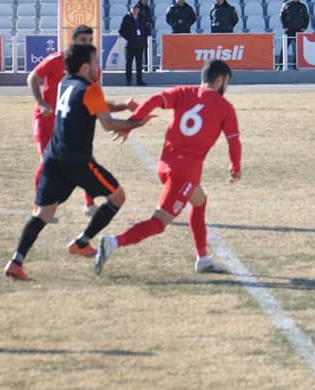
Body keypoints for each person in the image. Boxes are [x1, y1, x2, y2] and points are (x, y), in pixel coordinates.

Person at [4, 43, 150, 281]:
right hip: (77, 162)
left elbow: (96, 105)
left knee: (43, 214)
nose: (98, 67)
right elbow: (108, 124)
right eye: (95, 62)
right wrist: (137, 123)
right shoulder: (91, 89)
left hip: (54, 157)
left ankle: (16, 261)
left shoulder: (65, 83)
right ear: (84, 67)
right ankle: (82, 242)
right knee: (118, 197)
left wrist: (123, 106)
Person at [94, 60, 241, 276]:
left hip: (166, 165)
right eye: (226, 82)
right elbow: (234, 141)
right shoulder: (225, 107)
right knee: (158, 223)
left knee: (200, 201)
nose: (226, 87)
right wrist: (235, 167)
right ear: (220, 81)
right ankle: (113, 242)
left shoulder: (184, 92)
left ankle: (203, 259)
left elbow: (153, 100)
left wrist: (131, 123)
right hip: (185, 173)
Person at [27, 25, 102, 218]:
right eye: (83, 40)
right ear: (73, 41)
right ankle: (40, 208)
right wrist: (41, 103)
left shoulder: (93, 68)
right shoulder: (57, 59)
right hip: (45, 121)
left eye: (89, 40)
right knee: (47, 163)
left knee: (84, 160)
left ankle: (89, 205)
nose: (86, 44)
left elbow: (92, 96)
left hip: (69, 124)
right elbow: (33, 77)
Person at [280, 0, 310, 68]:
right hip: (289, 30)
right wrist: (284, 26)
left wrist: (304, 27)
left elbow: (306, 18)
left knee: (298, 49)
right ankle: (280, 65)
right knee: (284, 47)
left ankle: (296, 65)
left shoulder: (302, 6)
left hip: (299, 30)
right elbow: (282, 16)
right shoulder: (286, 5)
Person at [119, 4, 146, 86]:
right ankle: (128, 80)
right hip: (130, 44)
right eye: (133, 9)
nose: (135, 10)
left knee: (139, 63)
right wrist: (129, 38)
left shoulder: (142, 18)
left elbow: (145, 29)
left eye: (136, 9)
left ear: (139, 10)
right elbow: (121, 31)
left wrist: (142, 38)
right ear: (130, 9)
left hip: (139, 43)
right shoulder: (127, 18)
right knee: (129, 63)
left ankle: (139, 80)